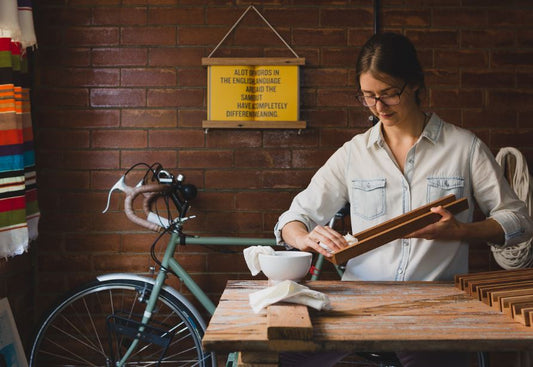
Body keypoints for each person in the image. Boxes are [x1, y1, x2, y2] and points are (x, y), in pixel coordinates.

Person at [274, 32, 533, 367]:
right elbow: (292, 218)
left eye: (389, 94)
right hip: (361, 303)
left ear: (414, 85)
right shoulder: (353, 154)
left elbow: (519, 221)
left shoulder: (463, 147)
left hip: (436, 307)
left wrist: (462, 232)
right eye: (368, 97)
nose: (379, 107)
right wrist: (305, 236)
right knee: (288, 356)